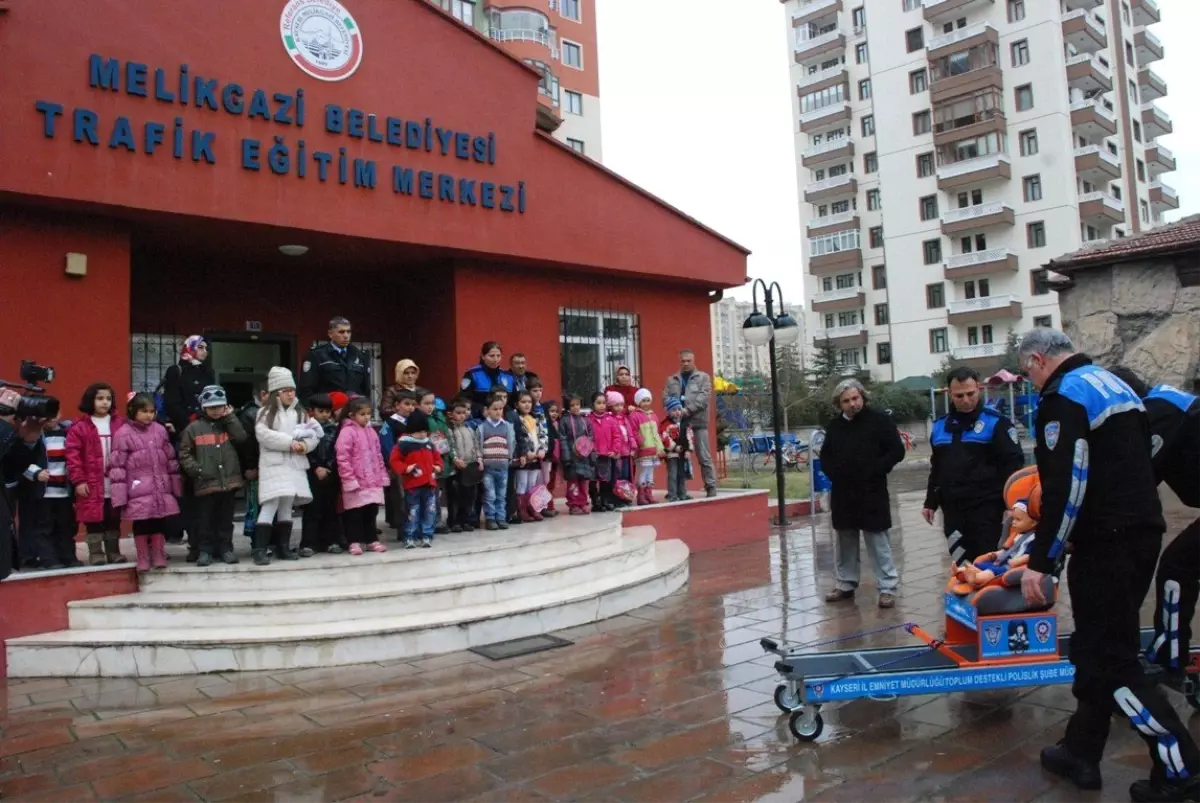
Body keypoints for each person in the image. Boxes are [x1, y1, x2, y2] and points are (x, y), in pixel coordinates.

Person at [1015, 329, 1200, 801]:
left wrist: (1043, 559)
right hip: (1137, 536)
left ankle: (1179, 765)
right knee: (1095, 651)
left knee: (1113, 662)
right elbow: (1130, 468)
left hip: (1107, 546)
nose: (1030, 382)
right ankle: (1081, 751)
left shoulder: (1065, 395)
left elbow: (1069, 481)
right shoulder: (1116, 386)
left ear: (1038, 360)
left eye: (1027, 372)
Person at [1108, 368, 1200, 686]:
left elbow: (1138, 476)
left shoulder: (1156, 412)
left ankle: (1169, 659)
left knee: (1177, 567)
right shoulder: (1168, 403)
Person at [922, 366, 1025, 563]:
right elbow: (937, 467)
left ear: (979, 389)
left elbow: (1013, 467)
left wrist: (1012, 505)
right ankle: (962, 594)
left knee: (985, 563)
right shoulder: (940, 427)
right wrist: (930, 503)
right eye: (959, 396)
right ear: (950, 393)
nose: (966, 400)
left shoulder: (996, 423)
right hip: (952, 510)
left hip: (986, 510)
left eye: (970, 393)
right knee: (961, 564)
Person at [820, 379, 904, 609]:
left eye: (855, 398)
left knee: (877, 539)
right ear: (839, 404)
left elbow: (897, 450)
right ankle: (846, 583)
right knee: (845, 538)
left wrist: (878, 468)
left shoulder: (879, 421)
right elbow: (825, 456)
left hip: (871, 490)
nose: (852, 404)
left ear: (863, 397)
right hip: (844, 492)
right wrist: (834, 473)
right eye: (846, 401)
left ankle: (887, 587)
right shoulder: (835, 426)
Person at [254, 367, 321, 565]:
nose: (290, 394)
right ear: (276, 392)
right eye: (285, 390)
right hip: (274, 466)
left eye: (292, 389)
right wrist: (290, 441)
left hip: (294, 466)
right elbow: (264, 435)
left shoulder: (301, 413)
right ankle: (260, 549)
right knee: (270, 504)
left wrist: (305, 446)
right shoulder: (265, 412)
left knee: (286, 507)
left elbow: (314, 435)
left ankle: (283, 547)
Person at [109, 393, 181, 572]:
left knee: (159, 521)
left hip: (159, 486)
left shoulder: (160, 430)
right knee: (141, 522)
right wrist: (120, 495)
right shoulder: (123, 433)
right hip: (137, 489)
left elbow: (170, 458)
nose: (149, 415)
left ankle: (158, 554)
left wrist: (175, 485)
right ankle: (142, 556)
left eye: (152, 411)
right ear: (133, 411)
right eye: (144, 411)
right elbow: (117, 466)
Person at [178, 386, 247, 567]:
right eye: (211, 407)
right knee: (205, 520)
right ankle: (205, 551)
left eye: (219, 406)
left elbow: (241, 438)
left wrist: (230, 417)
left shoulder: (230, 424)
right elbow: (184, 453)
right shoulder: (193, 429)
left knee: (226, 519)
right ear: (203, 408)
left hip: (228, 482)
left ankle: (226, 549)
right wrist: (197, 470)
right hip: (205, 483)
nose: (216, 410)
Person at [12, 406, 79, 570]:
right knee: (43, 527)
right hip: (43, 492)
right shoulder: (32, 436)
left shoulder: (68, 434)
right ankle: (49, 559)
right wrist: (35, 474)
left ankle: (68, 557)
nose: (51, 418)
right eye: (46, 414)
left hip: (63, 491)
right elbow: (21, 461)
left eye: (54, 413)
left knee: (65, 525)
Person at [66, 382, 126, 565]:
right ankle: (96, 553)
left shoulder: (120, 424)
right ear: (90, 400)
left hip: (115, 480)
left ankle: (114, 552)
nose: (105, 402)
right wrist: (78, 481)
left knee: (113, 517)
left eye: (108, 399)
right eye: (100, 398)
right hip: (91, 481)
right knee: (92, 518)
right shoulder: (79, 427)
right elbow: (73, 456)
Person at [337, 397, 390, 555]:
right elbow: (343, 457)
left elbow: (378, 455)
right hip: (356, 480)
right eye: (362, 414)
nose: (367, 417)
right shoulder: (347, 432)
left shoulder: (371, 432)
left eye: (369, 413)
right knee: (354, 513)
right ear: (352, 415)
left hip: (372, 480)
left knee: (371, 512)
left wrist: (381, 474)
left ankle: (371, 540)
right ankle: (353, 541)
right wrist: (349, 478)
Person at [663, 350, 716, 498]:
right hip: (678, 424)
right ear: (679, 361)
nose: (685, 363)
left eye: (688, 360)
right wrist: (673, 410)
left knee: (704, 456)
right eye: (683, 361)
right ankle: (679, 491)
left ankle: (710, 487)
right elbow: (665, 398)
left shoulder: (703, 377)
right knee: (676, 457)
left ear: (693, 361)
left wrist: (687, 410)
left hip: (697, 423)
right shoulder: (672, 379)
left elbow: (704, 398)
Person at [389, 409, 442, 548]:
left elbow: (437, 458)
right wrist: (406, 468)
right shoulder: (404, 444)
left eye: (425, 431)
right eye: (419, 432)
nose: (422, 434)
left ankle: (427, 535)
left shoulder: (429, 444)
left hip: (429, 484)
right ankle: (409, 536)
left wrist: (437, 466)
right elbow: (394, 460)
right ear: (411, 431)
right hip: (412, 485)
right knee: (412, 511)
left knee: (430, 511)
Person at [300, 393, 343, 556]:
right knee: (312, 509)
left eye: (327, 411)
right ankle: (308, 543)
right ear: (312, 411)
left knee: (330, 508)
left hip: (330, 473)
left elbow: (337, 450)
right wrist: (316, 467)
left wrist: (328, 467)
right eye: (320, 411)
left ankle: (331, 541)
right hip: (312, 474)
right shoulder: (305, 429)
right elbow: (305, 450)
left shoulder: (334, 428)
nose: (324, 415)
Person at [298, 316, 371, 403]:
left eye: (348, 332)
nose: (346, 336)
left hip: (353, 411)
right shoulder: (316, 355)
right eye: (341, 332)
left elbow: (366, 390)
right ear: (330, 334)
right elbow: (306, 390)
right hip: (328, 410)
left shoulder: (359, 355)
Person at [160, 335, 215, 436]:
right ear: (189, 348)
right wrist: (188, 423)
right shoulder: (176, 370)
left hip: (206, 426)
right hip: (184, 426)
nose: (205, 351)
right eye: (200, 347)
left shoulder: (207, 372)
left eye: (206, 348)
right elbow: (172, 403)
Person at [380, 390, 416, 536]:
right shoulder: (390, 424)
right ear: (396, 405)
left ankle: (414, 525)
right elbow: (386, 446)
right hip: (399, 467)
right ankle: (403, 528)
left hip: (414, 467)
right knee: (400, 497)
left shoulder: (414, 422)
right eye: (406, 404)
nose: (410, 408)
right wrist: (392, 465)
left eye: (413, 404)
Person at [478, 394, 516, 530]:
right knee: (490, 494)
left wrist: (509, 457)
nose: (498, 412)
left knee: (501, 494)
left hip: (503, 467)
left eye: (500, 409)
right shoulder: (482, 428)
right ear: (487, 410)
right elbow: (479, 445)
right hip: (488, 468)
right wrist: (480, 459)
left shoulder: (507, 426)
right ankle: (490, 518)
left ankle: (500, 517)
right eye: (495, 409)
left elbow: (511, 443)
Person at [235, 384, 267, 550]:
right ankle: (258, 543)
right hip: (256, 467)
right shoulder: (250, 414)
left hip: (270, 467)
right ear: (263, 394)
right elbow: (247, 444)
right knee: (257, 506)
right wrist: (250, 466)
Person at [418, 390, 453, 533]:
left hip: (442, 459)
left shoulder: (439, 417)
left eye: (432, 403)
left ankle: (437, 521)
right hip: (427, 461)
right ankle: (428, 522)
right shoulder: (419, 419)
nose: (430, 406)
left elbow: (446, 437)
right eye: (426, 403)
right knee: (429, 494)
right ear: (418, 404)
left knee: (438, 493)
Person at [447, 398, 482, 532]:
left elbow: (476, 444)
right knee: (456, 496)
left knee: (469, 496)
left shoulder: (469, 429)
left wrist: (479, 458)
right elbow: (450, 446)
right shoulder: (450, 430)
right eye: (458, 412)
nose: (462, 415)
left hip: (470, 466)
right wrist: (455, 459)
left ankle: (466, 520)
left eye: (464, 412)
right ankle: (454, 521)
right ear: (451, 414)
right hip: (457, 468)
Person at [559, 394, 595, 515]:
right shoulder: (564, 421)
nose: (575, 407)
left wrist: (591, 456)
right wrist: (567, 458)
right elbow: (563, 439)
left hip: (584, 457)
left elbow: (590, 438)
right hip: (572, 457)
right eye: (572, 405)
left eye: (577, 405)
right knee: (573, 482)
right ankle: (574, 504)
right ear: (568, 407)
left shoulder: (585, 420)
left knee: (584, 482)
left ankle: (583, 502)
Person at [629, 389, 665, 506]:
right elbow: (633, 431)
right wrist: (641, 442)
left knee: (651, 472)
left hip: (654, 450)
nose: (646, 403)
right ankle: (641, 495)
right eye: (643, 400)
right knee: (643, 472)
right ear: (638, 402)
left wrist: (660, 447)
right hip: (644, 449)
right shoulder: (634, 415)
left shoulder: (653, 415)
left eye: (648, 400)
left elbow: (657, 432)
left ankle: (649, 494)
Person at [461, 341, 515, 420]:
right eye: (492, 356)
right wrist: (481, 409)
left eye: (498, 356)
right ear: (483, 356)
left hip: (504, 416)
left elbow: (513, 400)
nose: (495, 359)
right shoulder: (472, 374)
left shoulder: (507, 376)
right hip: (480, 416)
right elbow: (464, 399)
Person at [514, 390, 545, 523]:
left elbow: (543, 435)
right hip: (525, 457)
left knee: (533, 484)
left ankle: (532, 508)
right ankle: (522, 509)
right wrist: (526, 452)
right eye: (523, 402)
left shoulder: (536, 418)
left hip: (536, 456)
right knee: (522, 483)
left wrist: (542, 449)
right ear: (516, 404)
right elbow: (519, 437)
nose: (527, 405)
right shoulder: (516, 419)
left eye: (529, 402)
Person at [660, 396, 691, 502]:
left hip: (682, 454)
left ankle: (682, 493)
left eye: (679, 409)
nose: (677, 412)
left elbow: (689, 436)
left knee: (682, 473)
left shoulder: (684, 423)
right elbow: (664, 437)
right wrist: (674, 447)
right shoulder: (665, 424)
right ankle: (672, 494)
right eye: (674, 410)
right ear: (668, 412)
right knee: (673, 474)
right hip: (672, 454)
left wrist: (688, 450)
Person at [542, 398, 562, 518]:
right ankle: (546, 507)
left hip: (555, 460)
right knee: (546, 483)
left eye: (556, 411)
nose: (554, 414)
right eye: (551, 411)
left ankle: (550, 506)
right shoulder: (545, 425)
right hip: (547, 459)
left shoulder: (558, 425)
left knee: (552, 483)